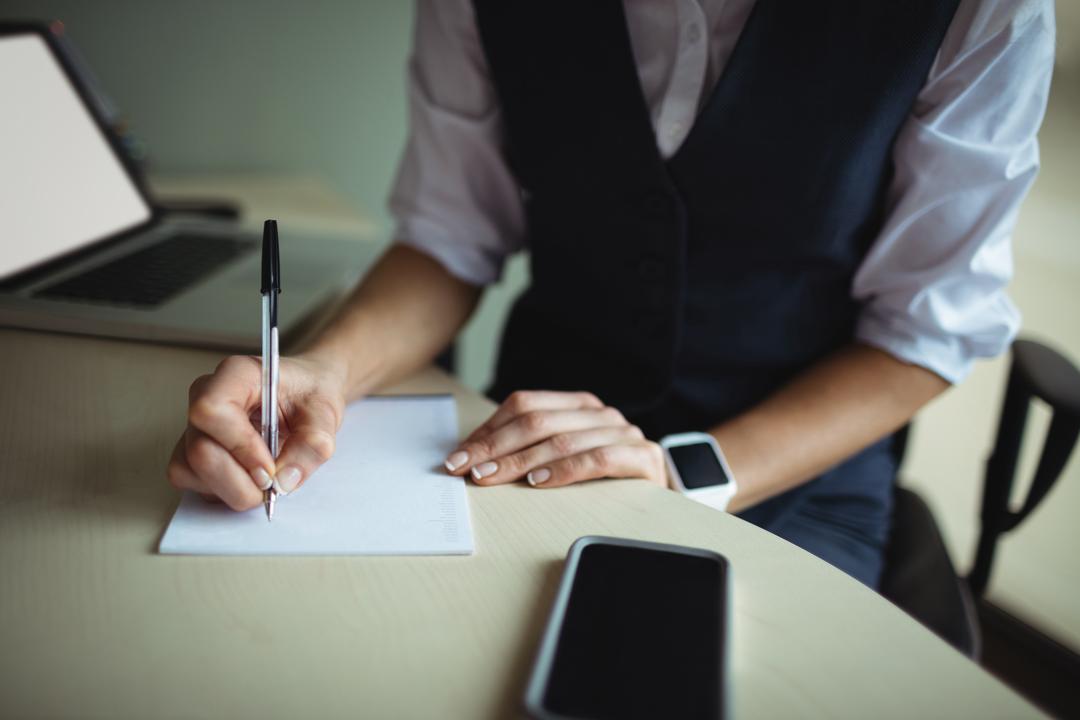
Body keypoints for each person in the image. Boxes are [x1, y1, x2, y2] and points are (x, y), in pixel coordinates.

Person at [166, 0, 1055, 588]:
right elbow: (449, 238)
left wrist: (679, 471)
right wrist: (327, 368)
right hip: (516, 444)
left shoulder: (986, 11)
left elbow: (925, 334)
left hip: (786, 473)